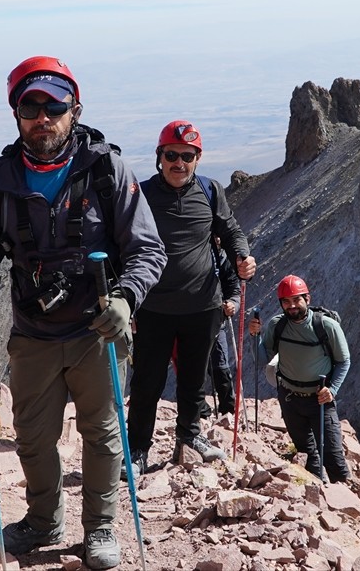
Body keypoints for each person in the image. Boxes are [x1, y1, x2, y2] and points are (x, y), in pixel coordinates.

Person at [0, 56, 166, 569]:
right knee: (32, 435)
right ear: (16, 114)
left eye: (54, 107)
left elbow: (147, 249)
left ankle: (100, 527)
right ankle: (43, 520)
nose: (42, 118)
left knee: (103, 433)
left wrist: (126, 297)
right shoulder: (1, 179)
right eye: (30, 108)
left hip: (98, 329)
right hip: (33, 332)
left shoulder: (107, 170)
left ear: (76, 111)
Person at [126, 120, 255, 476]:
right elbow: (123, 240)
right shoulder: (141, 195)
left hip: (203, 305)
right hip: (153, 306)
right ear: (159, 157)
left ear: (198, 159)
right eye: (171, 155)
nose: (179, 163)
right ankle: (137, 449)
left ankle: (189, 436)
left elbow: (229, 229)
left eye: (187, 156)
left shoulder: (210, 191)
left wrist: (242, 255)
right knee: (147, 381)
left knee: (194, 378)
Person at [248, 275, 351, 482]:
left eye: (296, 300)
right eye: (286, 301)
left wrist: (332, 390)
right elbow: (261, 359)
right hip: (289, 398)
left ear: (307, 299)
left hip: (320, 400)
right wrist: (254, 336)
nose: (292, 306)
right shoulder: (277, 325)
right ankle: (315, 494)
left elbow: (343, 361)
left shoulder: (327, 326)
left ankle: (344, 495)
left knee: (332, 457)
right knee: (306, 453)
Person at [199, 241, 240, 425]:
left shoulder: (224, 259)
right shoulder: (195, 255)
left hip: (217, 320)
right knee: (197, 368)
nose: (217, 240)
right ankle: (200, 412)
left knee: (220, 367)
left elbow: (234, 289)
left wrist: (232, 303)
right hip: (194, 320)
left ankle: (227, 411)